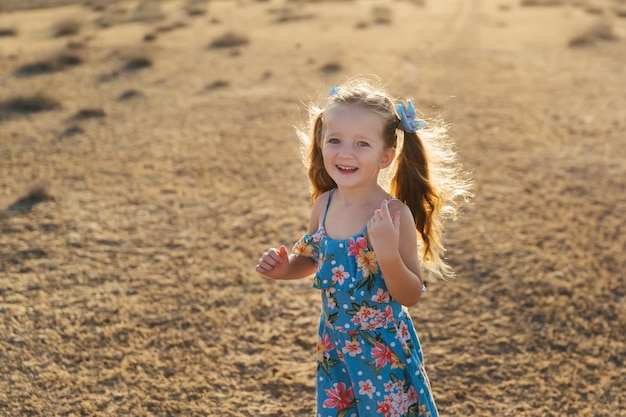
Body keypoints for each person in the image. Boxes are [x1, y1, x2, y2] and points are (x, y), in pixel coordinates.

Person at [256, 77, 471, 417]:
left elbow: (410, 295)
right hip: (336, 348)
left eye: (362, 144)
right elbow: (314, 258)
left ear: (386, 157)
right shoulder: (324, 205)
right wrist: (286, 269)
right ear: (321, 142)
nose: (344, 153)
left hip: (382, 352)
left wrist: (386, 254)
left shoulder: (394, 215)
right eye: (335, 140)